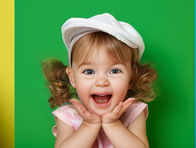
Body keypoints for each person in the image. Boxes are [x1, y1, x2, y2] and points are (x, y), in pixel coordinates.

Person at [43, 13, 156, 147]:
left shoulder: (133, 112)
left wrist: (112, 124)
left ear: (131, 78)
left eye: (114, 71)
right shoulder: (68, 116)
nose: (101, 82)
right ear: (72, 77)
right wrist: (89, 125)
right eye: (89, 71)